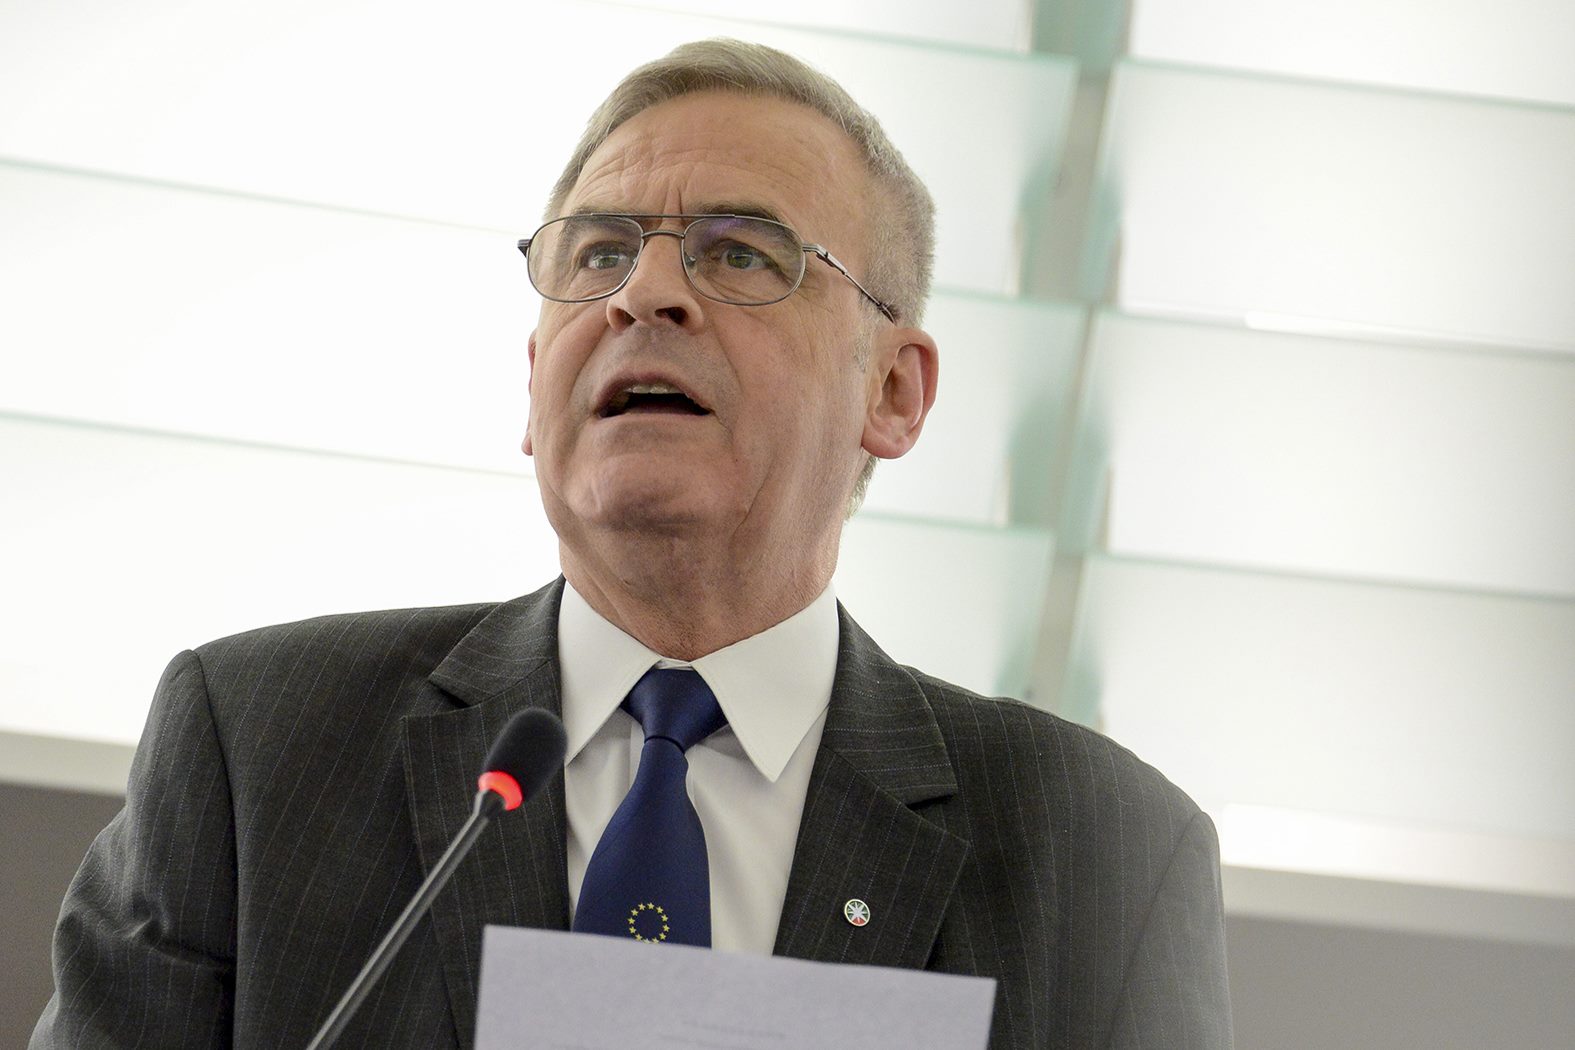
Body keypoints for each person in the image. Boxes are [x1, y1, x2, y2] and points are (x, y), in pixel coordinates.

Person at [33, 39, 1232, 1049]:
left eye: (741, 252)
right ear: (535, 380)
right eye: (600, 253)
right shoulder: (256, 747)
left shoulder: (1104, 853)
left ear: (894, 391)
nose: (643, 294)